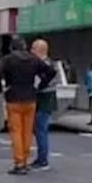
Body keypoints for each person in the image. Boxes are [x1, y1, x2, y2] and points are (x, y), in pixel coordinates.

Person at [0, 38, 56, 175]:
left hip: (14, 98)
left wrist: (0, 89)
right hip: (31, 98)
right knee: (27, 131)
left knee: (16, 131)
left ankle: (19, 162)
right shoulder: (34, 59)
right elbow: (51, 72)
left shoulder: (7, 59)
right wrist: (41, 84)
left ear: (11, 48)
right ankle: (26, 160)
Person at [30, 38, 57, 170]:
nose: (31, 51)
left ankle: (42, 160)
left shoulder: (43, 65)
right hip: (47, 98)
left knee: (40, 129)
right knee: (40, 129)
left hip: (43, 98)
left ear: (38, 50)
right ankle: (41, 158)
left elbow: (43, 81)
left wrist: (38, 86)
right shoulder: (50, 63)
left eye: (33, 49)